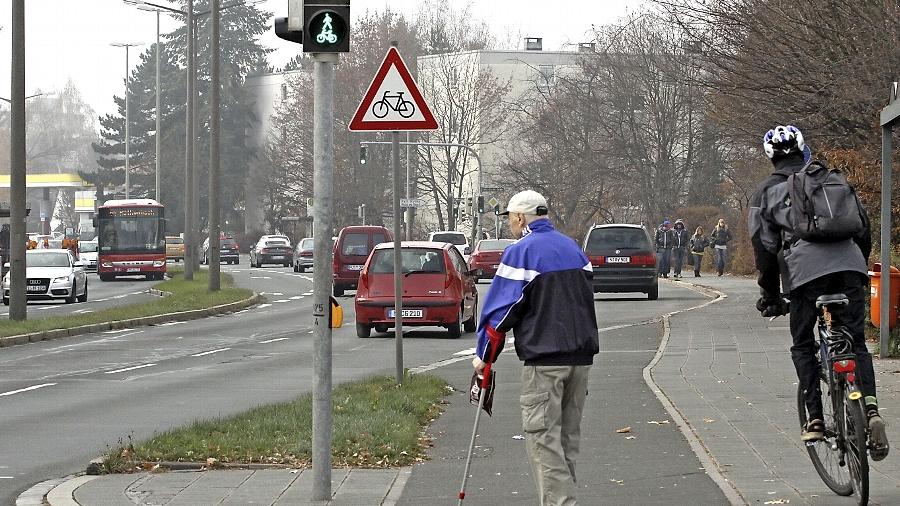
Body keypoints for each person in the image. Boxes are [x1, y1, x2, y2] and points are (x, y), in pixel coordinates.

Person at [749, 125, 888, 459]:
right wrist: (858, 268)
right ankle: (871, 411)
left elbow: (764, 249)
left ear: (770, 156)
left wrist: (769, 295)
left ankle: (814, 417)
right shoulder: (830, 180)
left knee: (803, 344)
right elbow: (863, 228)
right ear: (803, 149)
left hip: (805, 274)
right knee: (854, 343)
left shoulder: (766, 192)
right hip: (851, 266)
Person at [472, 190, 599, 505]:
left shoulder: (521, 252)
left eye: (510, 220)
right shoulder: (574, 249)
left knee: (543, 442)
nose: (510, 226)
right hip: (580, 360)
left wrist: (483, 357)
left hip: (545, 362)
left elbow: (500, 313)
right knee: (566, 443)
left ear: (519, 217)